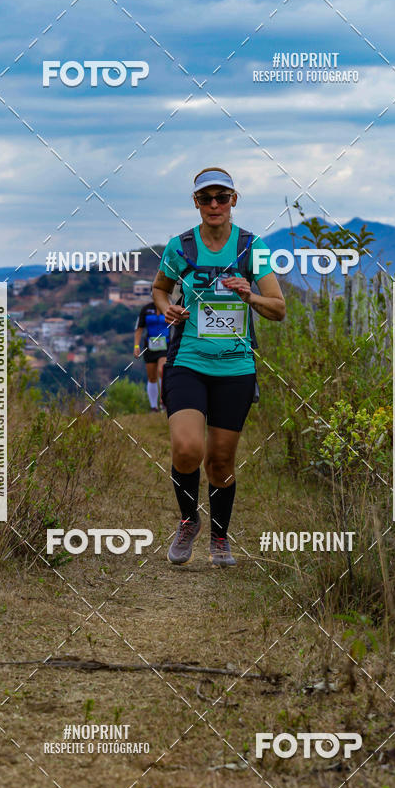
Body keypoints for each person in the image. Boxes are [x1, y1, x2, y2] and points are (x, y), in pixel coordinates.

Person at [152, 166, 285, 567]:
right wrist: (167, 308)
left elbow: (278, 309)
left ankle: (220, 537)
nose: (214, 205)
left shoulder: (252, 247)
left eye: (221, 198)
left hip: (235, 368)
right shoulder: (180, 248)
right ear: (195, 202)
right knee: (188, 449)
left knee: (221, 461)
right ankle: (189, 519)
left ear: (233, 201)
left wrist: (250, 295)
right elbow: (160, 289)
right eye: (206, 198)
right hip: (187, 361)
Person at [134, 298, 170, 411]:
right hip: (150, 347)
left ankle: (164, 401)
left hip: (166, 345)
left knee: (162, 370)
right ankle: (153, 406)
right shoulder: (146, 309)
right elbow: (139, 328)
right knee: (152, 377)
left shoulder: (169, 307)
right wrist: (136, 346)